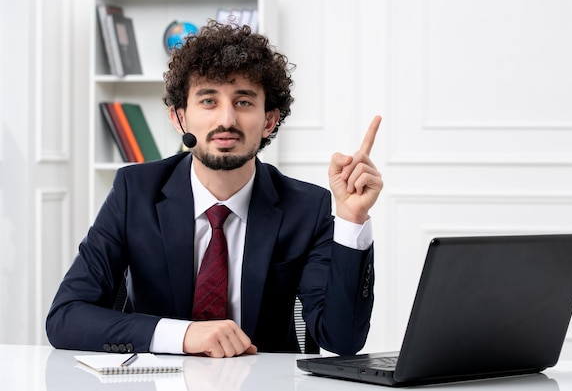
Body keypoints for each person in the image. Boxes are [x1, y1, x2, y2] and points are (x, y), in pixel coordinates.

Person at [46, 20, 383, 358]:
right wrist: (183, 335)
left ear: (269, 120)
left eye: (244, 102)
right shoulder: (135, 191)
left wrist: (352, 219)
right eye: (208, 101)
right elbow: (66, 317)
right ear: (180, 118)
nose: (226, 120)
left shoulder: (306, 207)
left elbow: (342, 340)